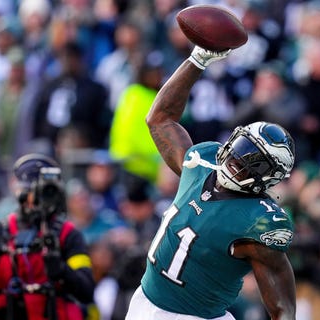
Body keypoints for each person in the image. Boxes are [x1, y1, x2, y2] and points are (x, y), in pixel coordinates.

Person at [124, 45, 296, 319]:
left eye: (256, 161)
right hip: (145, 301)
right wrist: (197, 59)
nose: (240, 160)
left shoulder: (258, 221)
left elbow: (282, 309)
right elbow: (159, 119)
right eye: (242, 148)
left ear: (270, 177)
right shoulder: (202, 162)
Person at [0, 153, 95, 320]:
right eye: (34, 191)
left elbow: (87, 291)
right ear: (20, 193)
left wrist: (61, 270)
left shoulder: (68, 234)